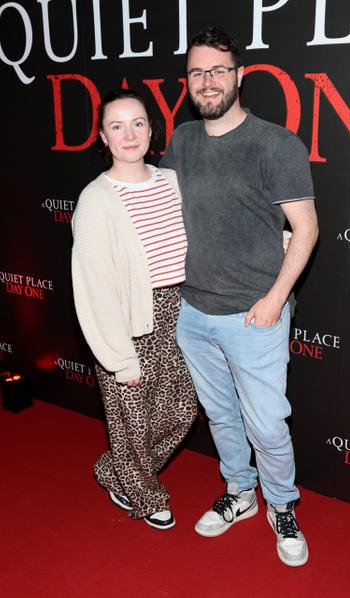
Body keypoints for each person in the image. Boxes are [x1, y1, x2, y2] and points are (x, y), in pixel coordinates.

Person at [160, 27, 318, 565]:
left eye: (218, 70)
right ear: (188, 82)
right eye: (197, 72)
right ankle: (240, 494)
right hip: (193, 310)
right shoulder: (181, 139)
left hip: (255, 313)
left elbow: (307, 229)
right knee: (222, 416)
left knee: (267, 423)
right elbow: (161, 211)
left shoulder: (275, 143)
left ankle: (282, 504)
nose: (207, 82)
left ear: (239, 76)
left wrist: (276, 299)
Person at [71, 89, 197, 530]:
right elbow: (95, 285)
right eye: (117, 126)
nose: (129, 134)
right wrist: (120, 355)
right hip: (125, 321)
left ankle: (115, 469)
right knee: (132, 421)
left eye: (138, 123)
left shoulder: (171, 182)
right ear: (103, 136)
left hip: (181, 312)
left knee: (180, 409)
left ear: (151, 129)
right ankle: (144, 494)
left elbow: (212, 232)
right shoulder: (96, 200)